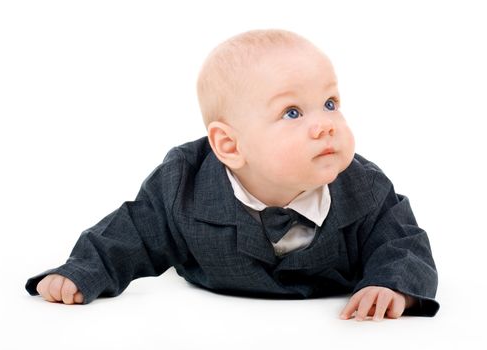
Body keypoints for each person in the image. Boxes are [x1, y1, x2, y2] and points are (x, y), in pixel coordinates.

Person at [25, 29, 439, 321]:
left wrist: (392, 285)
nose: (325, 124)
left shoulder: (363, 187)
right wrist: (81, 271)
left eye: (330, 103)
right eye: (292, 112)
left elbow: (402, 242)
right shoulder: (183, 184)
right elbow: (132, 230)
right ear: (230, 146)